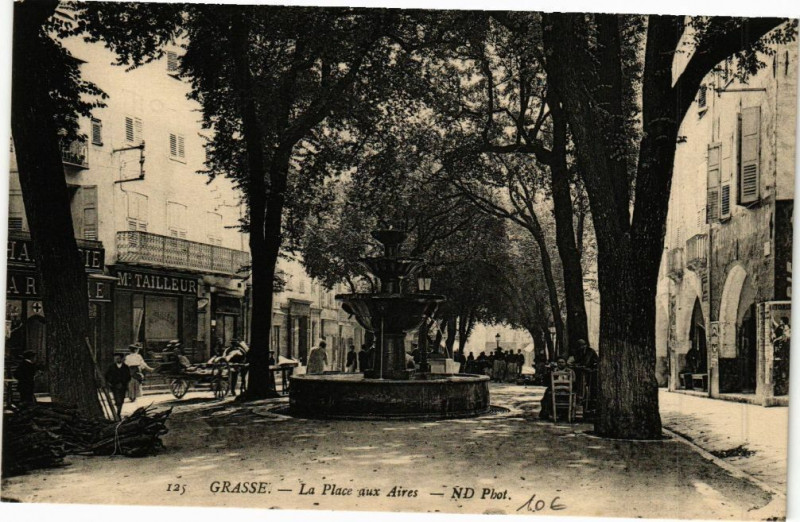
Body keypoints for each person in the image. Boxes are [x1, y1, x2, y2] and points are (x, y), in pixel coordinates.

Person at [105, 352, 131, 417]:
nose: (117, 360)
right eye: (116, 358)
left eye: (118, 358)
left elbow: (128, 376)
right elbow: (107, 375)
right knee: (117, 399)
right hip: (114, 385)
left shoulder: (125, 367)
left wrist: (124, 383)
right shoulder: (111, 366)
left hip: (123, 386)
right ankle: (118, 412)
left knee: (121, 399)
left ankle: (119, 411)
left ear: (122, 359)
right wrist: (110, 382)